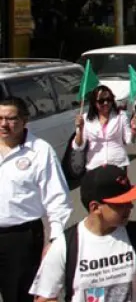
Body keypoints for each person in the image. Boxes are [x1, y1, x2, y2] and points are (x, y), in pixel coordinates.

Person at [30, 165, 136, 302]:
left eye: (129, 201)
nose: (130, 206)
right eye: (121, 204)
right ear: (95, 207)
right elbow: (44, 299)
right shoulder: (65, 245)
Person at [0, 96, 73, 302]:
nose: (4, 124)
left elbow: (58, 199)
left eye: (11, 118)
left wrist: (54, 240)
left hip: (21, 239)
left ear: (24, 120)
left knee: (19, 296)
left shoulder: (40, 151)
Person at [73, 85, 136, 171]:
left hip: (118, 164)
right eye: (101, 101)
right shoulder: (85, 119)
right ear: (94, 102)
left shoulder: (121, 116)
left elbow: (129, 140)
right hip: (94, 166)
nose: (106, 103)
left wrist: (133, 129)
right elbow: (78, 146)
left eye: (109, 100)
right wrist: (80, 129)